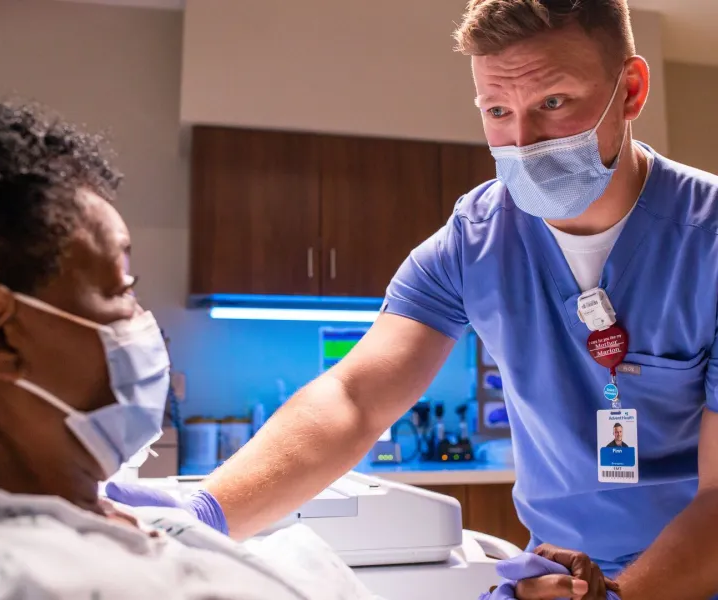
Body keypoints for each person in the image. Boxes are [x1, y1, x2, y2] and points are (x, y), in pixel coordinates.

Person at [168, 2, 718, 599]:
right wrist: (200, 519)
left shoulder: (706, 240)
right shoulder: (476, 239)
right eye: (498, 111)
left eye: (553, 103)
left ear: (630, 90)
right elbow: (353, 397)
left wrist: (619, 595)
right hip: (558, 580)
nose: (522, 142)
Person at [0, 82, 384, 599]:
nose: (144, 322)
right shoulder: (46, 579)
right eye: (122, 289)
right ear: (0, 335)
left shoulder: (95, 520)